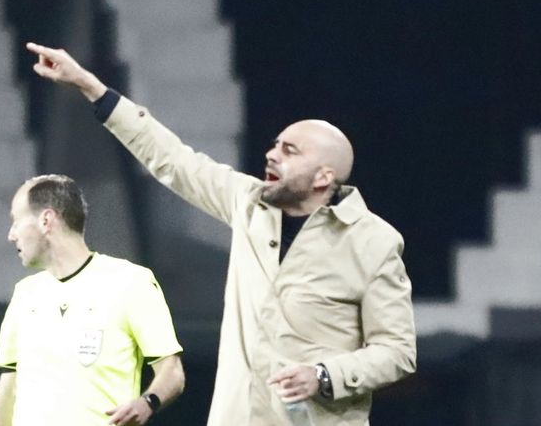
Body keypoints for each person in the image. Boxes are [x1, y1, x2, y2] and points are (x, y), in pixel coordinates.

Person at [26, 41, 417, 426]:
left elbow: (397, 351)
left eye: (290, 151)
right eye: (275, 145)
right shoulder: (249, 204)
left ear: (324, 177)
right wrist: (89, 86)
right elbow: (172, 159)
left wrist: (324, 374)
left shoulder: (374, 242)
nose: (272, 155)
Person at [0, 174, 184, 426]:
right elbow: (8, 390)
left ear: (46, 220)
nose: (11, 235)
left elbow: (173, 372)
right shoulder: (25, 294)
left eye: (16, 221)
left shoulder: (131, 281)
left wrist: (148, 402)